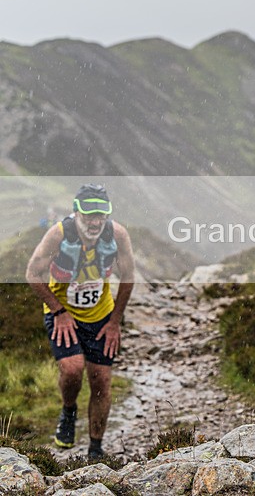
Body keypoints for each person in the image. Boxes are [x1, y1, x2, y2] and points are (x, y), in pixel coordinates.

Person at [26, 184, 135, 459]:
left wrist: (115, 322)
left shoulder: (118, 234)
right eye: (89, 215)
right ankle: (68, 410)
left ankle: (95, 449)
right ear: (76, 213)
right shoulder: (58, 235)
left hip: (101, 316)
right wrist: (57, 310)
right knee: (73, 369)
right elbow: (32, 272)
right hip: (64, 315)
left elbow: (128, 276)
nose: (95, 222)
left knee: (101, 380)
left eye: (101, 215)